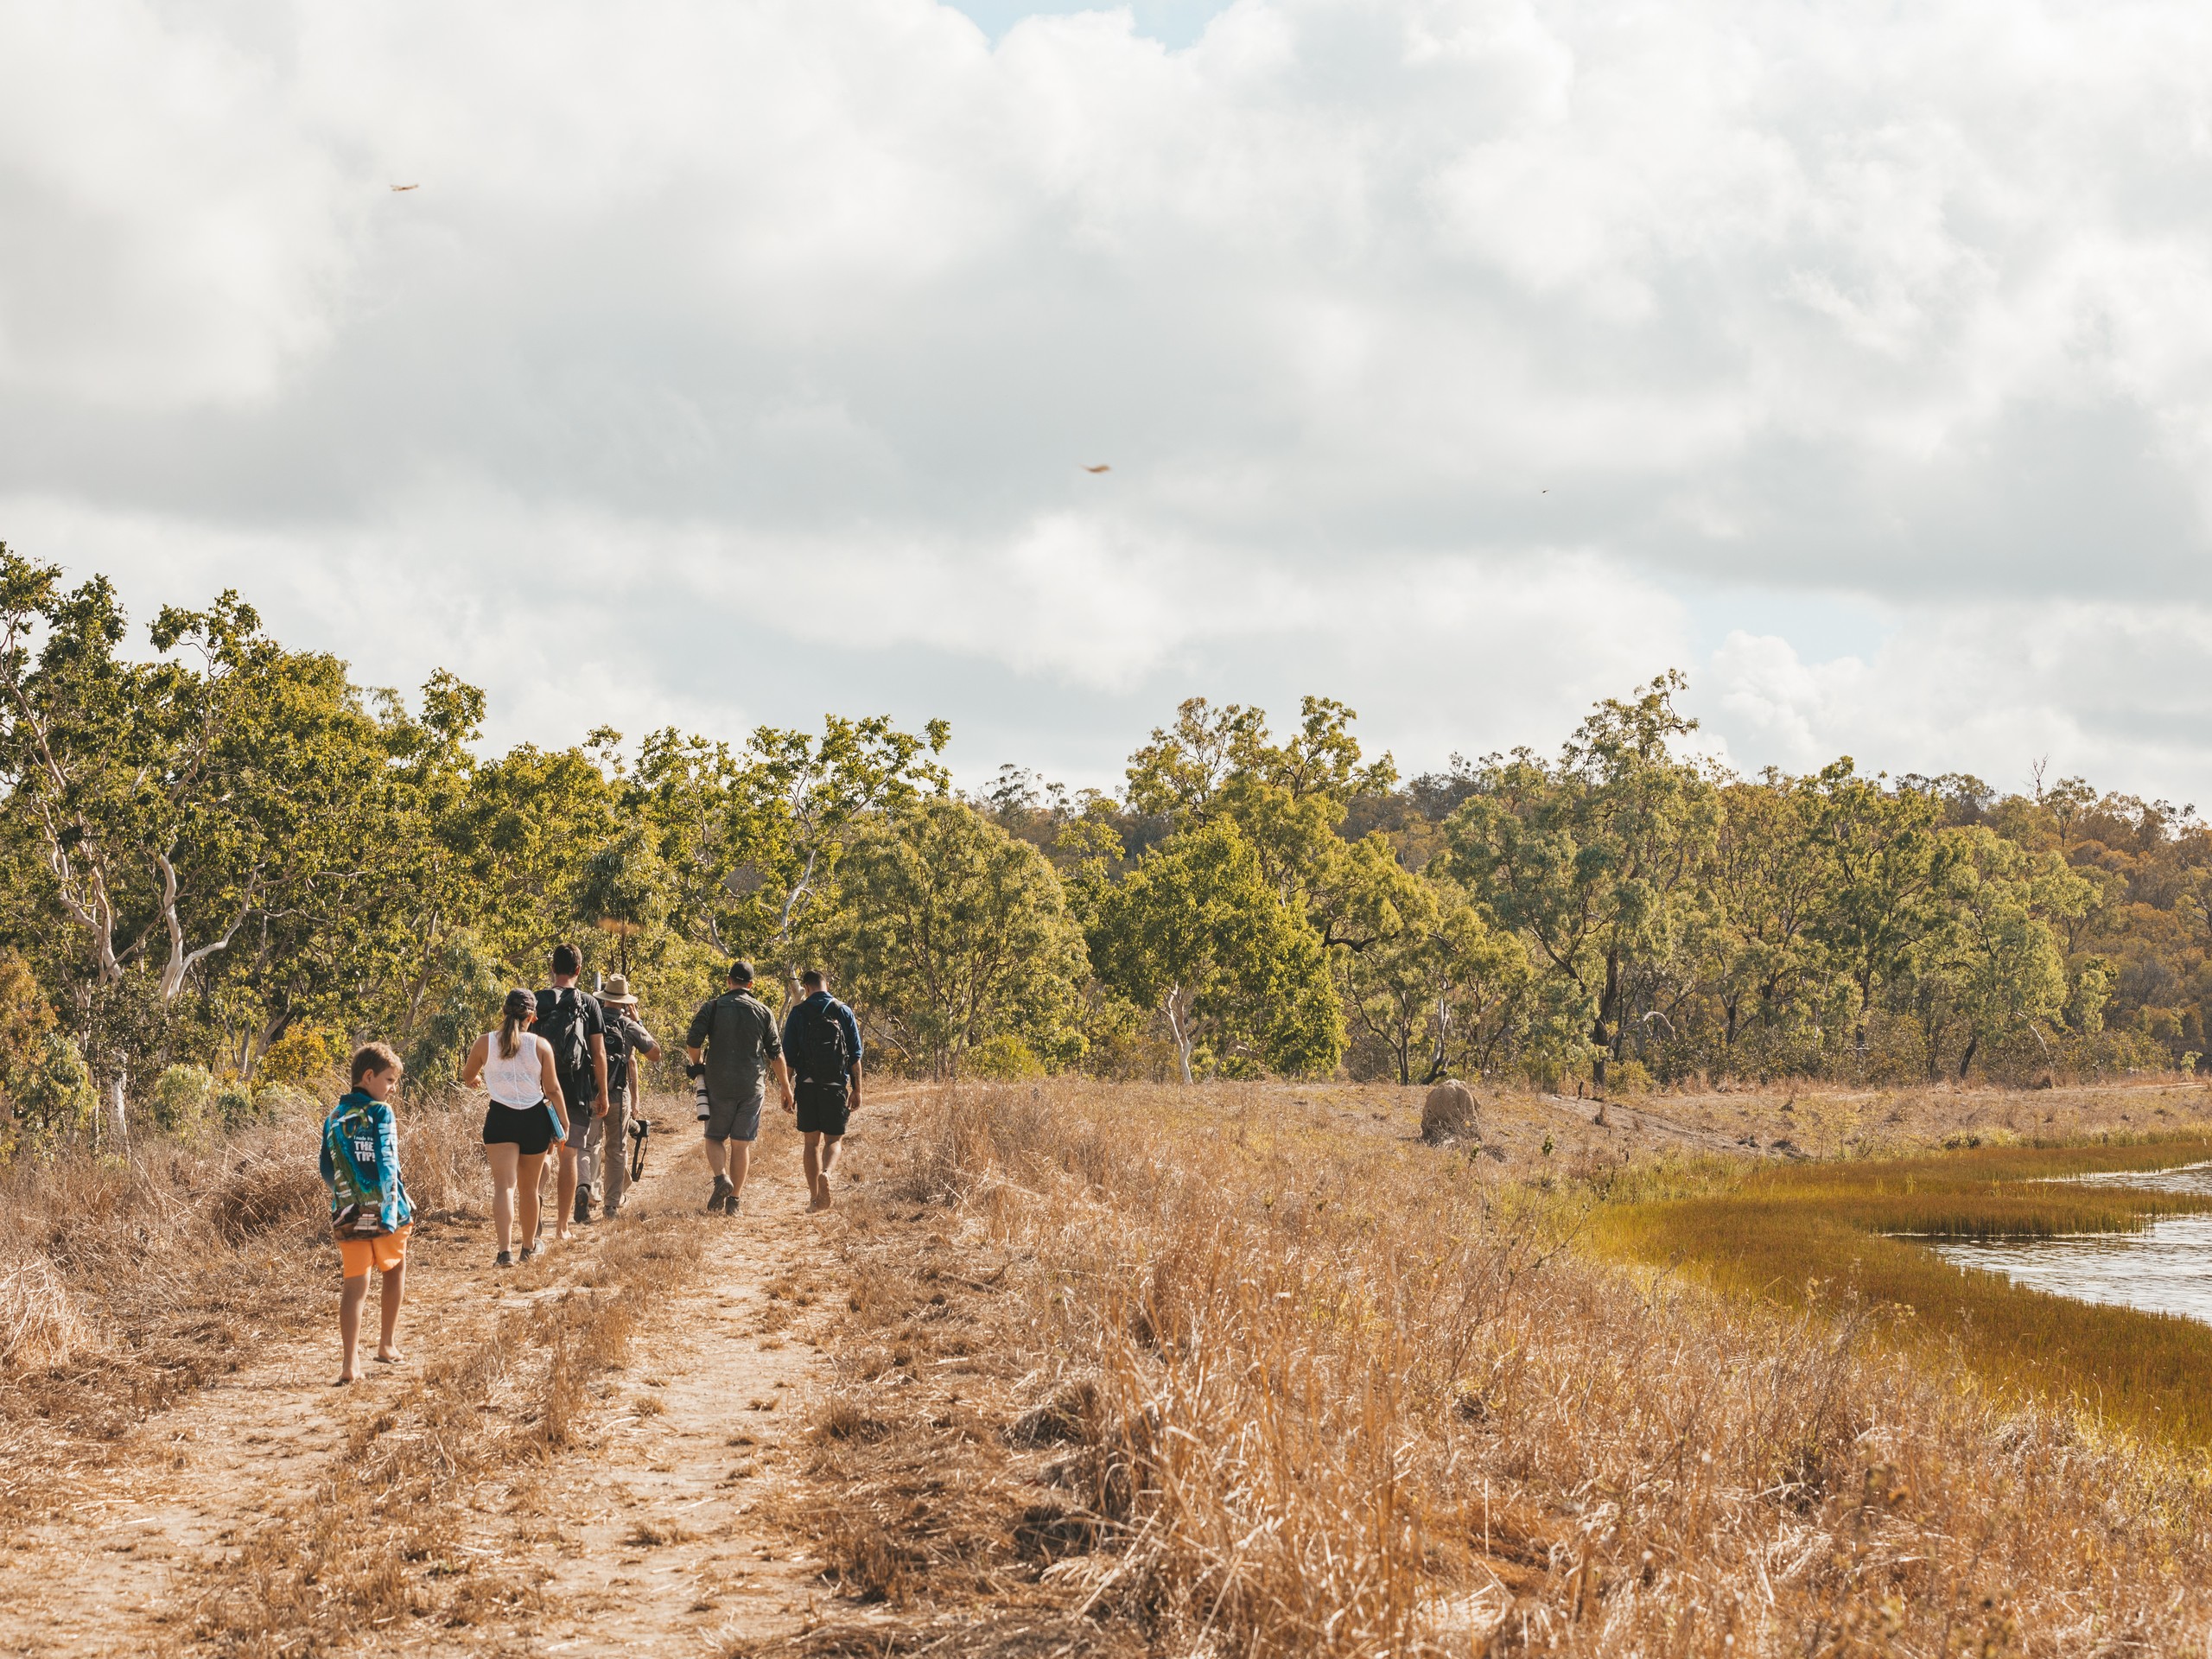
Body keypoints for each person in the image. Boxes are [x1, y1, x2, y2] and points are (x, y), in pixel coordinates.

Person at [321, 1042, 413, 1386]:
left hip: (347, 1212)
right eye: (389, 1080)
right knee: (395, 1269)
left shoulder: (333, 1117)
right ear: (369, 1076)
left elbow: (326, 1168)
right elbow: (389, 1162)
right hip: (386, 1209)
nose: (392, 1088)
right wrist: (390, 1210)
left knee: (354, 1285)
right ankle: (386, 1344)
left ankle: (349, 1364)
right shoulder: (380, 1112)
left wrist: (347, 1194)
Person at [461, 988, 569, 1265]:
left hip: (500, 1119)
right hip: (534, 1120)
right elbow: (554, 1089)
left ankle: (504, 1252)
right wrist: (564, 1123)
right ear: (532, 1017)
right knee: (529, 1189)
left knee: (504, 1188)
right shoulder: (540, 1045)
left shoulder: (484, 1043)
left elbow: (467, 1074)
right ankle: (529, 1247)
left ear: (503, 1012)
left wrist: (474, 1081)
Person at [683, 959, 793, 1216]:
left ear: (728, 981)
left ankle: (722, 1178)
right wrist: (786, 1088)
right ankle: (734, 1202)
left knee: (713, 1138)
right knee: (741, 1144)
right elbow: (776, 1055)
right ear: (751, 985)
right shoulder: (763, 1011)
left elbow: (693, 1041)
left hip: (718, 1084)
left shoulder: (712, 1007)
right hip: (751, 1086)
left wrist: (698, 1063)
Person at [537, 944, 611, 1244]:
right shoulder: (590, 1004)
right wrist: (602, 1092)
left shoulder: (537, 1000)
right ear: (579, 970)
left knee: (541, 1154)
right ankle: (562, 1228)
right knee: (569, 1155)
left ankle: (535, 1215)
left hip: (540, 1091)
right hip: (576, 1091)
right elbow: (599, 1051)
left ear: (552, 968)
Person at [575, 972, 662, 1223]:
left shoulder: (589, 1018)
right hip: (617, 1096)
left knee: (586, 1145)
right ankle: (611, 1206)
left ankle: (586, 1190)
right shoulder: (628, 1025)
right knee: (616, 1150)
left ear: (603, 997)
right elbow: (655, 1053)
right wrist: (639, 1021)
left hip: (589, 1094)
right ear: (625, 1001)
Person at [782, 968, 862, 1213]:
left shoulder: (798, 1013)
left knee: (810, 1144)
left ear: (806, 988)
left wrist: (787, 1090)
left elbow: (789, 1058)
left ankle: (815, 1199)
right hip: (835, 1085)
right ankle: (826, 1173)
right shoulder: (843, 1011)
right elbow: (855, 1057)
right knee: (834, 1140)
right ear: (825, 984)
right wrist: (857, 1090)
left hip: (807, 1086)